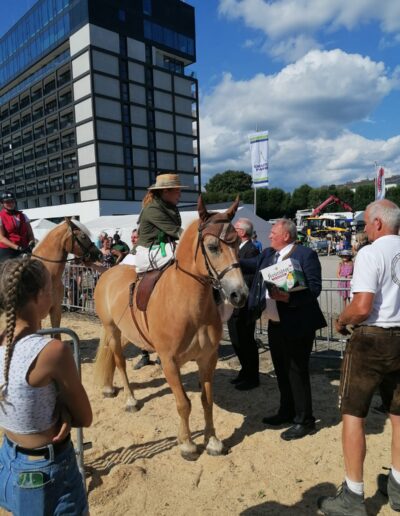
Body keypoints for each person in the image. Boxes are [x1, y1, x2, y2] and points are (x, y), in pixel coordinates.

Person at [318, 199, 400, 515]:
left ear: (378, 223)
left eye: (366, 222)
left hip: (372, 340)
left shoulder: (370, 252)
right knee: (397, 414)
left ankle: (353, 495)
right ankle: (397, 486)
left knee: (354, 414)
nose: (364, 228)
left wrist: (340, 321)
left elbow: (363, 306)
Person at [0, 257, 92, 515]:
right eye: (51, 287)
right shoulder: (53, 351)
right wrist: (63, 409)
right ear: (40, 296)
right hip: (46, 471)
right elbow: (85, 417)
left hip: (8, 459)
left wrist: (57, 408)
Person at [242, 219, 327, 440]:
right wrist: (229, 259)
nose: (269, 236)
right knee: (281, 371)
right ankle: (286, 411)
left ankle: (305, 420)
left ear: (286, 236)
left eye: (273, 232)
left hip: (298, 324)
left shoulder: (305, 255)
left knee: (297, 372)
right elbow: (251, 265)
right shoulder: (269, 254)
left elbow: (315, 289)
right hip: (275, 325)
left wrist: (289, 297)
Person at [228, 218, 260, 390]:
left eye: (235, 227)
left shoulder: (251, 250)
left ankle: (252, 376)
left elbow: (248, 278)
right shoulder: (236, 249)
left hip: (245, 305)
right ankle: (244, 371)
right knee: (236, 339)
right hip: (233, 306)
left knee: (246, 340)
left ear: (241, 232)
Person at [133, 173, 186, 273]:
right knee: (187, 252)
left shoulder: (168, 206)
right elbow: (175, 231)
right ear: (165, 191)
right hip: (148, 250)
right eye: (177, 191)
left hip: (163, 248)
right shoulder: (153, 208)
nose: (180, 194)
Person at [0, 191, 35, 262]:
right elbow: (1, 238)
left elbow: (30, 233)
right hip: (8, 250)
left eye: (12, 201)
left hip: (25, 249)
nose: (10, 204)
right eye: (7, 202)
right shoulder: (0, 217)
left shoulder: (23, 216)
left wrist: (31, 243)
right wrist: (17, 247)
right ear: (2, 203)